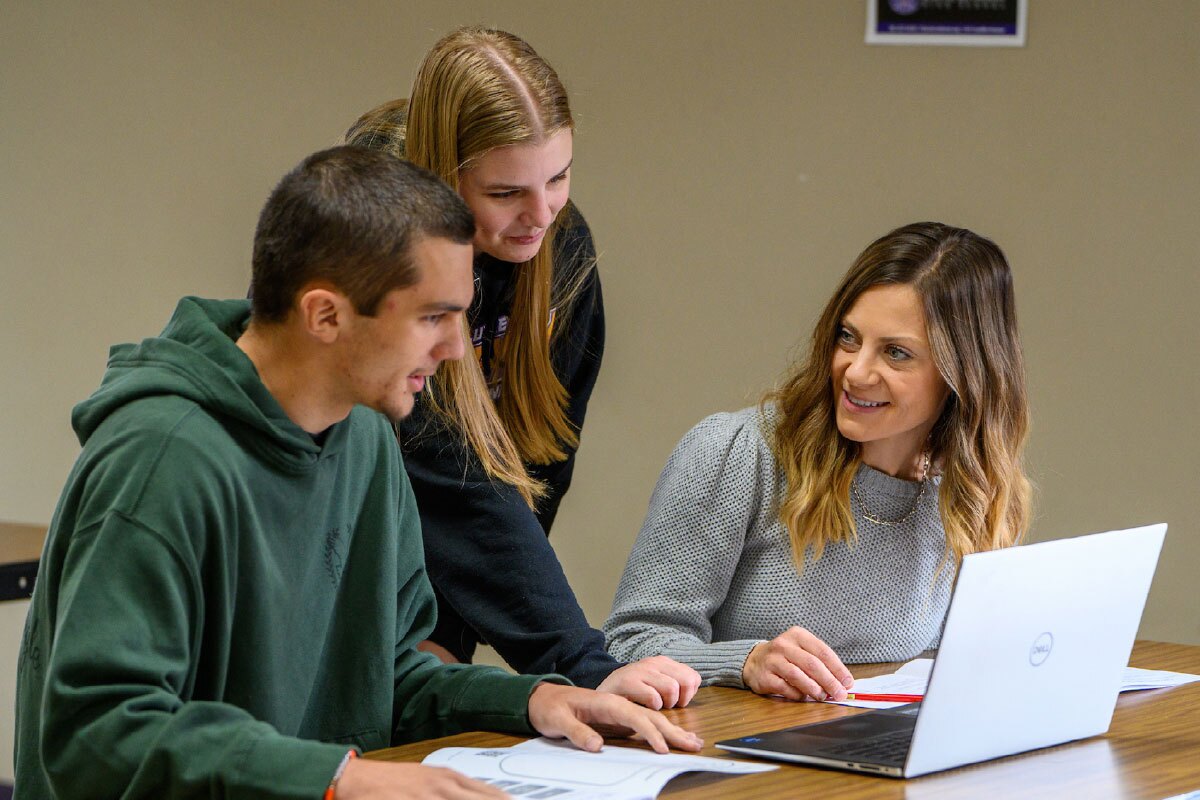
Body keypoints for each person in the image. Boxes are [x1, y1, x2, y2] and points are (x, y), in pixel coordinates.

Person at [13, 147, 701, 800]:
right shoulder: (162, 461)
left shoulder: (367, 438)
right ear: (325, 314)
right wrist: (340, 779)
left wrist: (534, 700)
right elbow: (97, 732)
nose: (457, 349)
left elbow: (385, 677)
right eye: (432, 317)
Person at [341, 26, 698, 705]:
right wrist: (581, 661)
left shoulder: (561, 248)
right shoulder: (376, 247)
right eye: (506, 193)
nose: (541, 215)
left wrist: (454, 635)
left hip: (440, 574)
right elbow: (447, 474)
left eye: (558, 177)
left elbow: (538, 468)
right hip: (339, 560)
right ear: (444, 176)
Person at [603, 222, 1031, 702]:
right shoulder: (737, 451)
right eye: (848, 338)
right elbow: (628, 642)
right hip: (738, 744)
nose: (856, 371)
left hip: (875, 744)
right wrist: (745, 662)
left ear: (964, 373)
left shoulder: (970, 494)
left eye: (896, 353)